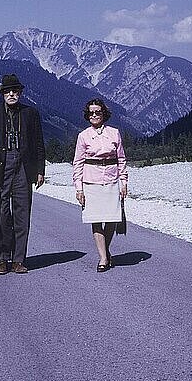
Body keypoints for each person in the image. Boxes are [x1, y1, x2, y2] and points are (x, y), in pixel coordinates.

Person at [0, 74, 45, 274]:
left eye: (15, 91)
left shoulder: (30, 113)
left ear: (20, 93)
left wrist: (40, 170)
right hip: (0, 166)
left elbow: (39, 144)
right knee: (0, 213)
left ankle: (18, 260)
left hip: (23, 167)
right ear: (2, 93)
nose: (11, 94)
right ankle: (2, 258)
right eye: (7, 91)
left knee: (22, 214)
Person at [73, 98, 128, 272]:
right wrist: (79, 188)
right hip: (91, 182)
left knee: (112, 218)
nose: (95, 115)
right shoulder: (83, 136)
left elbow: (121, 159)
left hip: (112, 180)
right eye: (91, 113)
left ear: (104, 113)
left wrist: (123, 182)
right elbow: (78, 163)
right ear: (87, 115)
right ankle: (103, 258)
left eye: (98, 112)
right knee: (96, 220)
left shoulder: (114, 133)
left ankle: (105, 250)